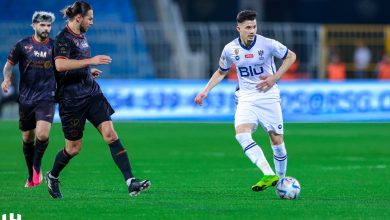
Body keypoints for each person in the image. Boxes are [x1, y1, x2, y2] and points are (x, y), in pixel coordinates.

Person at [44, 1, 150, 199]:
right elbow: (59, 65)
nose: (92, 22)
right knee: (73, 148)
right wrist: (90, 62)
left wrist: (87, 71)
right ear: (78, 18)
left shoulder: (82, 37)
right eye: (90, 18)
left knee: (110, 134)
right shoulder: (63, 39)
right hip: (71, 101)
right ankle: (52, 175)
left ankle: (131, 182)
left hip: (91, 94)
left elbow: (74, 64)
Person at [194, 10, 296, 192]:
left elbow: (291, 56)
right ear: (238, 28)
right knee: (241, 133)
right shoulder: (230, 49)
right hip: (246, 97)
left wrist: (275, 77)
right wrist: (205, 91)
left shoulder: (267, 44)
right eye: (248, 27)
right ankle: (268, 173)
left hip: (268, 95)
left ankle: (281, 181)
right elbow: (221, 71)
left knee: (277, 141)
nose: (252, 30)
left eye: (254, 26)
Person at [1, 11, 56, 188]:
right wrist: (7, 79)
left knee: (42, 134)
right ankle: (31, 175)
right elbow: (9, 66)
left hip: (47, 97)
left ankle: (37, 166)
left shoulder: (55, 47)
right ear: (34, 25)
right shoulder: (22, 45)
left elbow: (66, 67)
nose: (46, 28)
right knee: (27, 138)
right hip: (26, 98)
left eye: (48, 25)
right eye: (42, 25)